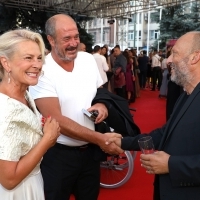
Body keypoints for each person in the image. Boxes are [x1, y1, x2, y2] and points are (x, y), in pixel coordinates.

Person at [29, 14, 123, 200]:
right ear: (50, 40)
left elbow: (101, 92)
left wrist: (101, 104)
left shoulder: (88, 60)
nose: (74, 44)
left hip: (90, 155)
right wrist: (100, 139)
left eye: (76, 37)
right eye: (66, 39)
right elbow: (56, 120)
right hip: (58, 156)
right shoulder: (42, 70)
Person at [106, 31, 200, 200]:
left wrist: (171, 165)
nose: (169, 60)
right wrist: (123, 141)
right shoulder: (186, 94)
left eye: (175, 54)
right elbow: (165, 134)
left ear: (194, 58)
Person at [0, 29, 60, 200]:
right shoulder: (4, 111)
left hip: (32, 184)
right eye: (28, 58)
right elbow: (9, 180)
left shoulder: (25, 93)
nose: (38, 65)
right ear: (6, 63)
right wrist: (47, 139)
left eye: (39, 58)